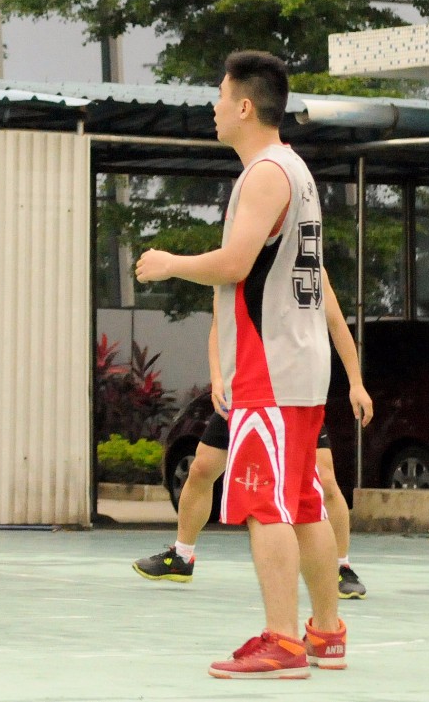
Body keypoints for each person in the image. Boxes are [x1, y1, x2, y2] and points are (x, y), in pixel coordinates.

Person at [136, 51, 345, 679]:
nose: (215, 107)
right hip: (300, 361)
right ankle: (325, 633)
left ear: (246, 106)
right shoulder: (296, 170)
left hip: (270, 365)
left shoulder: (264, 174)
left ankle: (282, 642)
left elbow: (234, 264)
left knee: (263, 505)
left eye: (221, 96)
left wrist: (169, 263)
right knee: (303, 502)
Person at [134, 283, 374, 598]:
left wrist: (356, 383)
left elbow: (336, 324)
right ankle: (181, 556)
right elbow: (220, 327)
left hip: (293, 395)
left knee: (324, 480)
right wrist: (218, 379)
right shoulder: (233, 269)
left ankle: (341, 567)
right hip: (245, 393)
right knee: (202, 469)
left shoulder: (305, 265)